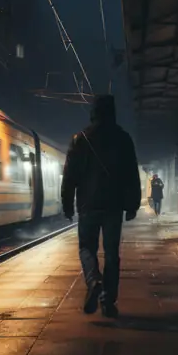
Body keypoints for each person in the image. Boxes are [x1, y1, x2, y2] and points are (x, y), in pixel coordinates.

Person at [61, 94, 141, 318]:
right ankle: (108, 301)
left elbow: (69, 177)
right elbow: (131, 175)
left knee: (87, 247)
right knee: (112, 253)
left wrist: (67, 205)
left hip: (87, 205)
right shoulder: (123, 138)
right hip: (113, 206)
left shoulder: (80, 139)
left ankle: (93, 279)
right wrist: (132, 204)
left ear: (93, 112)